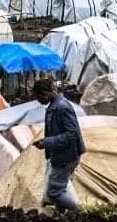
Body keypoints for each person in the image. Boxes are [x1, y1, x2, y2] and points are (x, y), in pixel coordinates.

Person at [32, 79, 85, 214]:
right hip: (63, 154)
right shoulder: (54, 106)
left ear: (45, 93)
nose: (38, 101)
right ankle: (60, 215)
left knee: (53, 192)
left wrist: (47, 142)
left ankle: (80, 213)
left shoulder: (62, 107)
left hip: (66, 156)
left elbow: (71, 134)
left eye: (38, 98)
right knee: (61, 189)